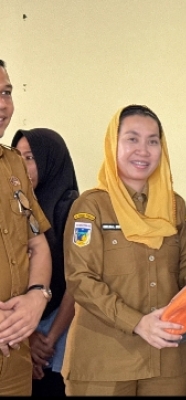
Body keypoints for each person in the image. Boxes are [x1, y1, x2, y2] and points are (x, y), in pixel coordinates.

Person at [62, 104, 186, 396]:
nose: (143, 151)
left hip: (168, 360)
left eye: (152, 141)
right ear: (113, 144)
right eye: (132, 139)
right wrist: (137, 323)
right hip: (105, 362)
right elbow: (81, 279)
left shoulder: (174, 206)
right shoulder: (91, 206)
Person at [11, 128, 79, 397]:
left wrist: (47, 341)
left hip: (62, 334)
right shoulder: (14, 208)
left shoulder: (74, 209)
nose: (22, 166)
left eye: (30, 158)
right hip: (17, 330)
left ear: (51, 160)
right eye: (17, 157)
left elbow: (78, 281)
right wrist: (27, 337)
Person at [0, 59, 53, 395]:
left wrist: (37, 297)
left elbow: (37, 243)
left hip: (14, 356)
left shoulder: (14, 164)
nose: (3, 105)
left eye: (6, 92)